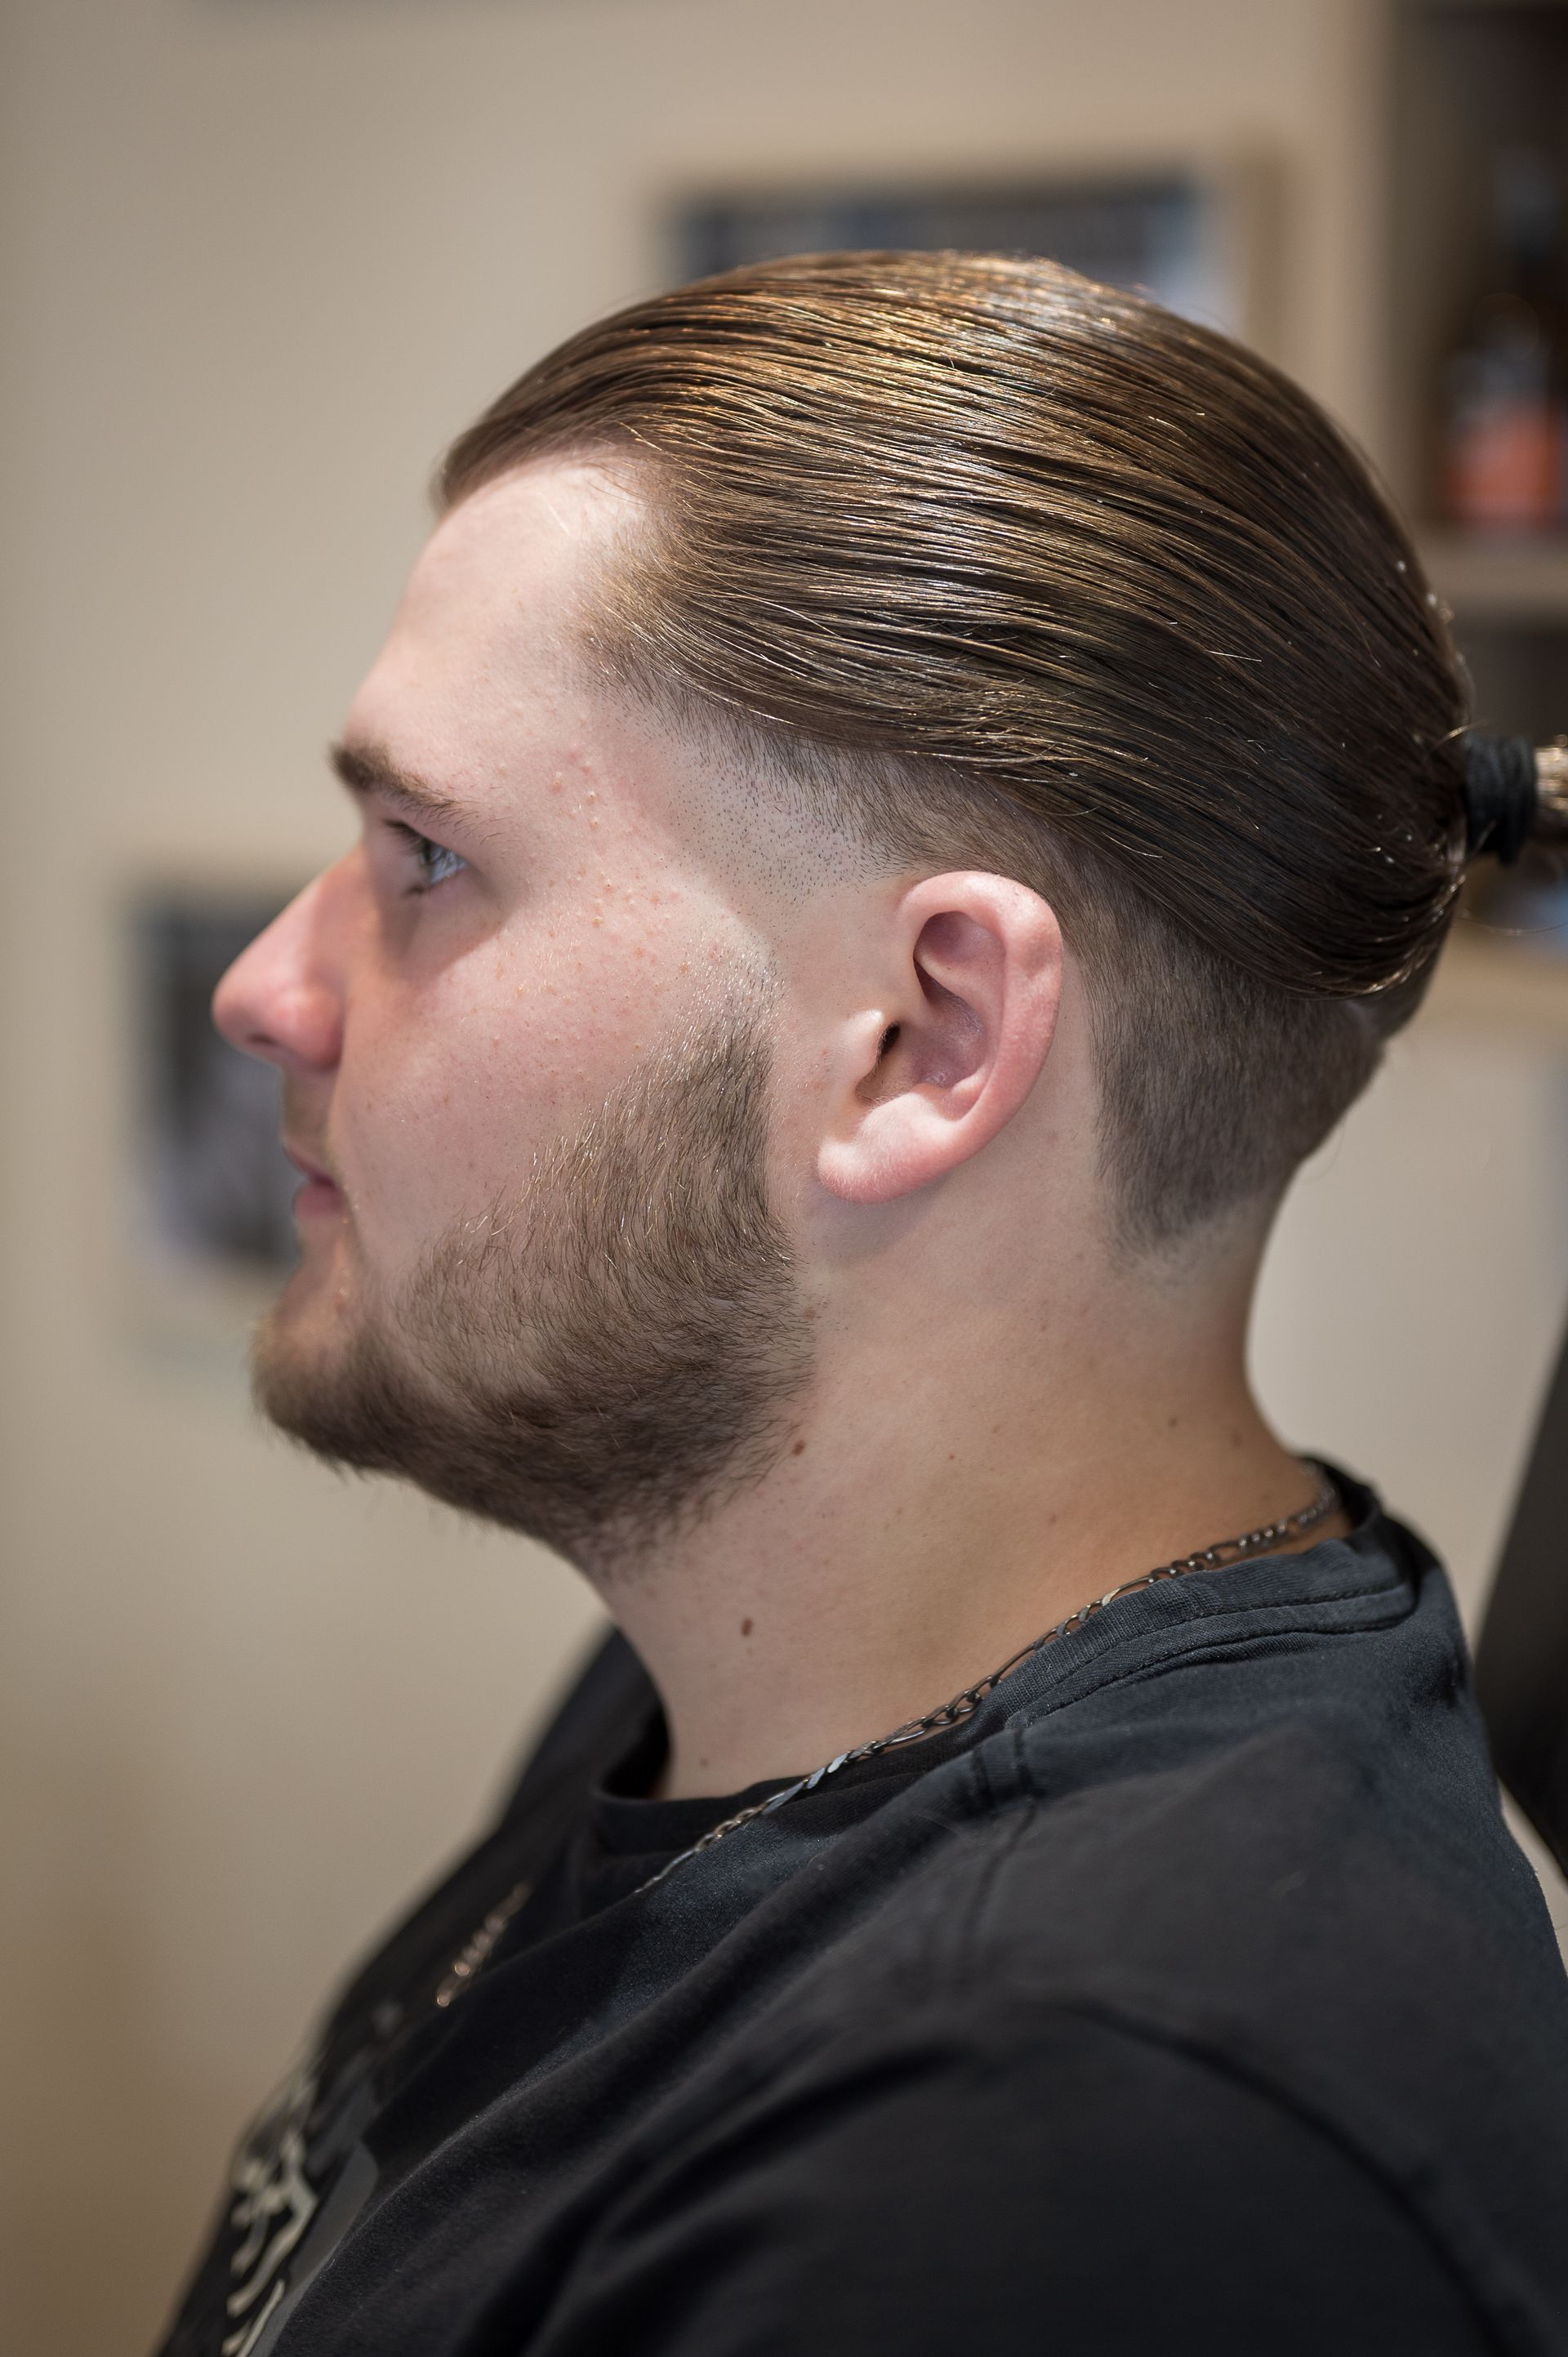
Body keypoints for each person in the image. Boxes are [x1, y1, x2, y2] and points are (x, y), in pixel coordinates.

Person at [156, 252, 1568, 2357]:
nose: (266, 985)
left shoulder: (1084, 2160)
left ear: (920, 1038)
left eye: (425, 855)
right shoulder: (763, 1702)